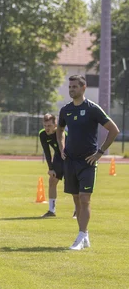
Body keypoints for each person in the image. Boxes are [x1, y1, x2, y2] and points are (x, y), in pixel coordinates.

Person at [56, 75, 119, 250]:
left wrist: (99, 153)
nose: (71, 89)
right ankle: (84, 234)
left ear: (84, 88)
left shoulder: (93, 109)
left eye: (74, 86)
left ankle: (81, 236)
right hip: (70, 161)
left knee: (85, 199)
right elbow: (60, 130)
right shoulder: (66, 110)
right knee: (76, 200)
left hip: (88, 161)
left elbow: (113, 130)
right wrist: (62, 149)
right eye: (70, 86)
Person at [38, 113, 75, 218]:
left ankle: (77, 210)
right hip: (58, 158)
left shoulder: (62, 133)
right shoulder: (42, 134)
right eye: (45, 126)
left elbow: (65, 148)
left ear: (55, 125)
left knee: (72, 185)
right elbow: (47, 152)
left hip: (70, 158)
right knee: (52, 181)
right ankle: (51, 211)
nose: (46, 128)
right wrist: (51, 168)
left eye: (49, 126)